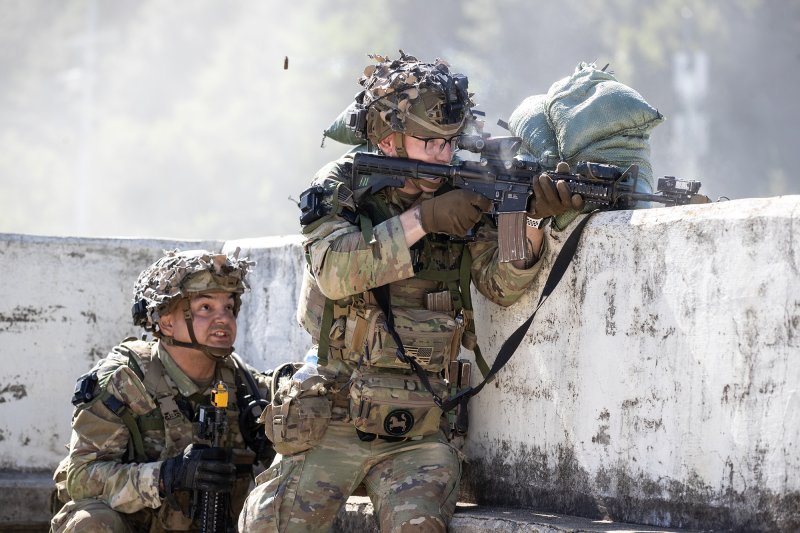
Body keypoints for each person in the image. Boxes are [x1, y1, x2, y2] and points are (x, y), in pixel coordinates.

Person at [240, 51, 584, 532]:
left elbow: (501, 284)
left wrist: (525, 216)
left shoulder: (468, 184)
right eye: (428, 143)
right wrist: (424, 220)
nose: (443, 156)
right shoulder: (346, 185)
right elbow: (335, 272)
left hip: (418, 428)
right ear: (387, 138)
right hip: (332, 416)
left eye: (450, 144)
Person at [50, 249, 274, 532]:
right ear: (167, 321)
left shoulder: (243, 386)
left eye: (228, 307)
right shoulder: (125, 381)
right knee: (90, 523)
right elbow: (80, 478)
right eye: (206, 308)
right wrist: (167, 475)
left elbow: (290, 396)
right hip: (138, 526)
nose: (224, 320)